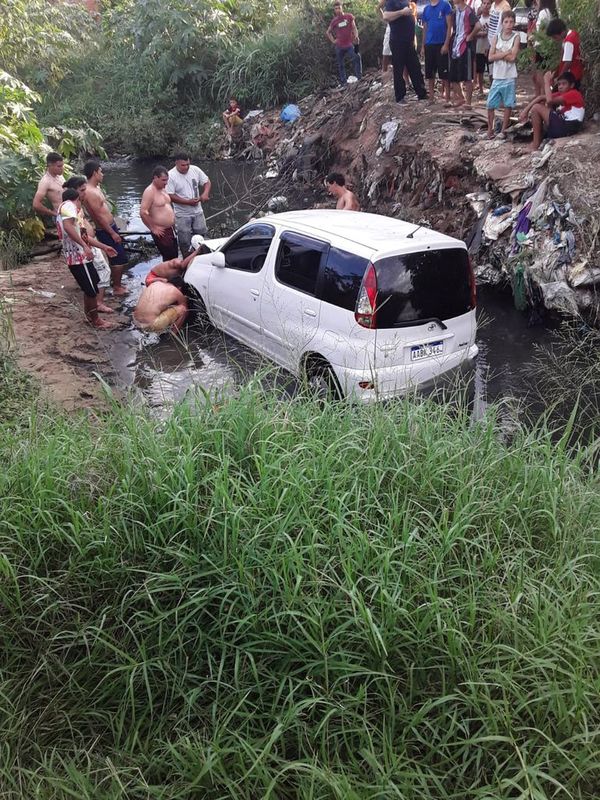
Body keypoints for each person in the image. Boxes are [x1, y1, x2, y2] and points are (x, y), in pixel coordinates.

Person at [57, 188, 116, 330]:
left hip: (81, 257)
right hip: (78, 258)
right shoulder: (68, 206)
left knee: (91, 286)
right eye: (82, 192)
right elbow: (68, 227)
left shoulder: (73, 212)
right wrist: (84, 247)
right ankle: (96, 321)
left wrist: (103, 246)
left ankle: (89, 316)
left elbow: (84, 236)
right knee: (91, 290)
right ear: (78, 197)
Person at [82, 159, 129, 296]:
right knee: (118, 256)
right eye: (101, 171)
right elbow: (97, 216)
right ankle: (117, 288)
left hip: (111, 226)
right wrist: (112, 232)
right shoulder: (89, 192)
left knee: (119, 255)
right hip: (105, 229)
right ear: (95, 172)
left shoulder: (96, 188)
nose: (103, 174)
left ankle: (117, 283)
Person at [519, 70, 584, 151]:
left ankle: (535, 144)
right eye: (559, 84)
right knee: (541, 104)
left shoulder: (574, 94)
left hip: (568, 127)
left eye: (564, 84)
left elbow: (549, 100)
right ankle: (538, 139)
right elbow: (541, 97)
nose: (560, 87)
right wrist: (525, 111)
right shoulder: (561, 94)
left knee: (537, 108)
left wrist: (546, 82)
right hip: (563, 125)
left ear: (572, 85)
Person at [167, 152, 211, 258]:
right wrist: (187, 202)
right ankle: (186, 261)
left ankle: (203, 258)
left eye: (188, 164)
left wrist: (205, 193)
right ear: (176, 163)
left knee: (202, 236)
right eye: (183, 165)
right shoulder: (171, 176)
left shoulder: (195, 169)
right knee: (184, 241)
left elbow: (207, 181)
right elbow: (169, 195)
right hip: (182, 214)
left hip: (198, 211)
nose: (186, 167)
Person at [382, 0, 427, 103]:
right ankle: (400, 96)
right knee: (398, 69)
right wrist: (401, 12)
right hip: (398, 41)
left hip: (409, 41)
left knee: (415, 67)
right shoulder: (391, 2)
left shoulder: (406, 1)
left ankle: (421, 93)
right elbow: (386, 16)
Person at [487, 10, 520, 138]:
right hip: (497, 76)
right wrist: (506, 52)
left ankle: (503, 131)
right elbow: (490, 57)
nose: (509, 24)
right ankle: (490, 130)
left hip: (509, 76)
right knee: (490, 104)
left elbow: (513, 58)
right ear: (502, 23)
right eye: (506, 21)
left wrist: (498, 53)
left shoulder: (516, 37)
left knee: (508, 104)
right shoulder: (496, 37)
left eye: (511, 21)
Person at [140, 166, 178, 261]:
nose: (166, 183)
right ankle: (168, 275)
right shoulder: (150, 191)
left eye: (167, 180)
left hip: (170, 229)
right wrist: (153, 228)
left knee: (174, 254)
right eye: (163, 180)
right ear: (155, 178)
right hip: (161, 231)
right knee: (170, 257)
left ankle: (173, 275)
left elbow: (166, 206)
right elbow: (143, 212)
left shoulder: (162, 189)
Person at [448, 0, 481, 109]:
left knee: (467, 77)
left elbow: (478, 25)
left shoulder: (468, 11)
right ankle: (461, 98)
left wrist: (470, 36)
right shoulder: (455, 12)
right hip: (455, 47)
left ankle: (468, 102)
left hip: (465, 47)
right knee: (453, 77)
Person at [420, 0, 452, 103]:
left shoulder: (445, 5)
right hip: (429, 44)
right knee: (430, 73)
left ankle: (447, 98)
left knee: (445, 73)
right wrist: (423, 46)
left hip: (441, 43)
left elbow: (449, 27)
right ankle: (431, 98)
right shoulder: (426, 9)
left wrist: (446, 44)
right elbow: (425, 28)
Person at [326, 2, 362, 85]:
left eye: (339, 8)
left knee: (357, 57)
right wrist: (333, 41)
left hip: (349, 44)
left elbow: (354, 27)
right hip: (339, 46)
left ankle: (359, 78)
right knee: (340, 64)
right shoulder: (334, 21)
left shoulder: (348, 16)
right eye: (336, 9)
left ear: (342, 8)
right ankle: (343, 82)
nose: (337, 10)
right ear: (334, 10)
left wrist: (356, 36)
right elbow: (328, 32)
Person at [545, 19, 584, 89]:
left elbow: (567, 62)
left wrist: (559, 78)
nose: (555, 39)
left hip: (571, 76)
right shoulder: (573, 34)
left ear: (562, 32)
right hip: (576, 74)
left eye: (555, 37)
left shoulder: (569, 41)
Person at [531, 0, 557, 94]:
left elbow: (542, 31)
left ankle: (546, 94)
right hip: (549, 47)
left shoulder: (543, 13)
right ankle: (544, 95)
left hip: (541, 46)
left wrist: (534, 36)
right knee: (546, 73)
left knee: (540, 75)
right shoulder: (552, 12)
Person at [32, 152, 65, 222]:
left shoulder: (60, 176)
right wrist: (54, 214)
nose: (62, 168)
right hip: (61, 217)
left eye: (62, 165)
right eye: (59, 166)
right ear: (50, 165)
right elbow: (36, 204)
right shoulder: (45, 182)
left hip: (71, 212)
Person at [475, 0, 492, 98]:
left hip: (490, 47)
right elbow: (471, 32)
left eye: (488, 3)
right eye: (484, 3)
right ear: (481, 5)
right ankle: (481, 90)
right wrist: (479, 34)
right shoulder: (477, 19)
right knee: (480, 70)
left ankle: (492, 89)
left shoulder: (493, 19)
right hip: (479, 47)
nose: (486, 6)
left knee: (491, 70)